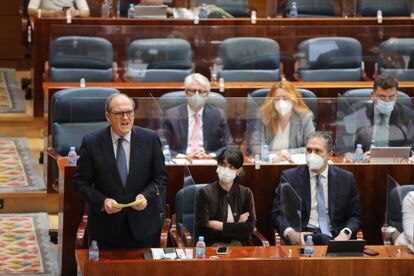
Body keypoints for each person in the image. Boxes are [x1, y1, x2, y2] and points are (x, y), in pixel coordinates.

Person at [73, 93, 167, 249]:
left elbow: (160, 178)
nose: (125, 118)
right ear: (108, 116)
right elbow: (80, 182)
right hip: (106, 228)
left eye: (129, 112)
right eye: (119, 113)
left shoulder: (150, 139)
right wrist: (102, 201)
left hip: (143, 227)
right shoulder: (92, 142)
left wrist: (146, 195)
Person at [271, 132, 363, 245]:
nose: (311, 155)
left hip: (336, 236)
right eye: (309, 150)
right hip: (303, 236)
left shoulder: (346, 179)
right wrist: (290, 233)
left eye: (318, 151)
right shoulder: (290, 177)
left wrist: (346, 233)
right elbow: (277, 213)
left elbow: (355, 216)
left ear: (329, 154)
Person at [335, 74, 414, 156]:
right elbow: (343, 142)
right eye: (382, 97)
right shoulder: (356, 111)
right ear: (373, 95)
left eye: (391, 97)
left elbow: (412, 144)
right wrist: (348, 155)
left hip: (396, 162)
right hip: (364, 162)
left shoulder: (407, 115)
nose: (387, 101)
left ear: (396, 95)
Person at [162, 73, 233, 159]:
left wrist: (210, 156)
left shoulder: (218, 115)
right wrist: (183, 157)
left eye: (201, 91)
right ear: (186, 93)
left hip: (208, 162)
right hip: (181, 163)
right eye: (192, 91)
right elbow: (161, 146)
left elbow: (229, 146)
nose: (196, 95)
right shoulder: (171, 115)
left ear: (207, 95)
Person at [196, 146, 256, 246]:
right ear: (218, 165)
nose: (225, 169)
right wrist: (238, 225)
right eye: (223, 165)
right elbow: (203, 227)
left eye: (231, 167)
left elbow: (249, 228)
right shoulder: (205, 193)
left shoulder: (246, 193)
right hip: (214, 246)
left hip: (241, 248)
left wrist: (215, 224)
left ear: (239, 170)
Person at [249, 81, 315, 162]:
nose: (281, 102)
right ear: (271, 101)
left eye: (285, 98)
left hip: (294, 164)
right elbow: (256, 145)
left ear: (294, 99)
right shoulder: (264, 116)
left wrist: (285, 153)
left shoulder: (304, 117)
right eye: (277, 99)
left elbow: (312, 147)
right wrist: (273, 158)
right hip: (270, 163)